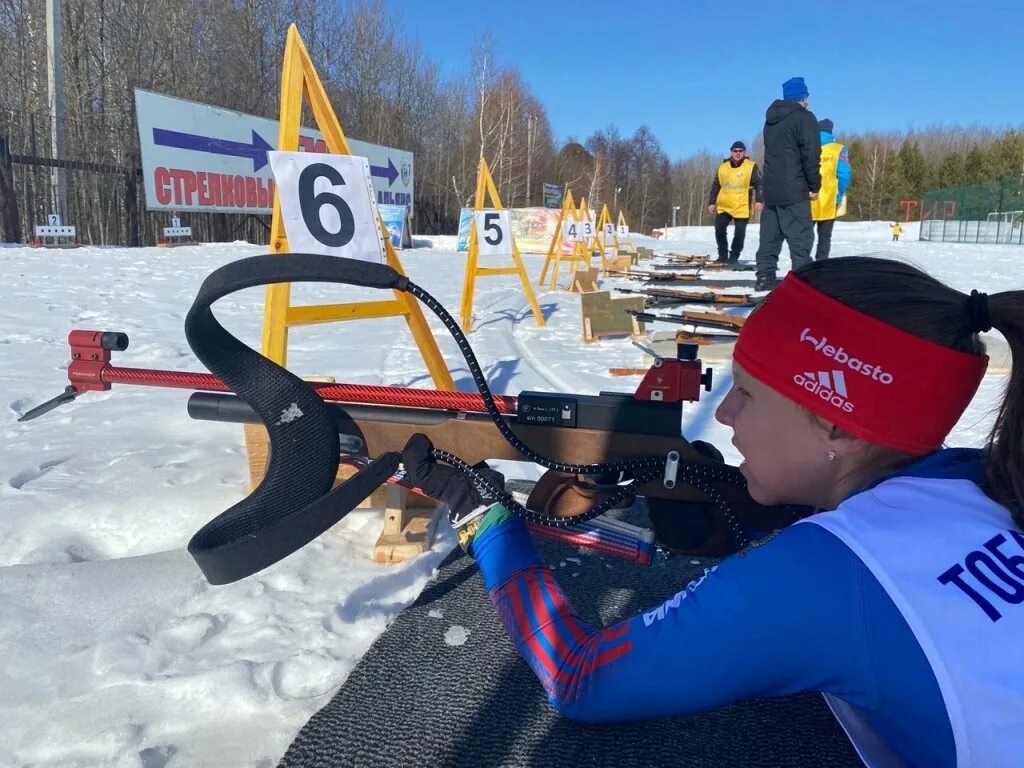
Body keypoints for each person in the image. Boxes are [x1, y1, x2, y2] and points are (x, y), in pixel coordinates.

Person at [402, 255, 1024, 767]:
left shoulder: (826, 575)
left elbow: (577, 676)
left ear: (837, 424)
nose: (724, 415)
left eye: (747, 395)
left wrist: (482, 515)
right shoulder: (987, 477)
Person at [754, 77, 821, 292]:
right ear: (801, 97)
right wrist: (814, 185)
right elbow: (811, 153)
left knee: (769, 238)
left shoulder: (770, 120)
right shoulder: (805, 118)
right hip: (794, 188)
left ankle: (764, 277)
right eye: (806, 96)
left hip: (771, 189)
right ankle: (803, 283)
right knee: (800, 239)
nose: (807, 102)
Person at [708, 141, 764, 263]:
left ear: (744, 152)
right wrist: (712, 202)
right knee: (719, 229)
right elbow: (715, 185)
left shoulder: (751, 166)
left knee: (739, 234)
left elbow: (759, 184)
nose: (738, 153)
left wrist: (759, 200)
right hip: (724, 205)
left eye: (740, 151)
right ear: (731, 152)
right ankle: (722, 256)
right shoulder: (723, 167)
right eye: (735, 151)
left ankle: (734, 257)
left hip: (741, 205)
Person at [810, 118, 851, 260]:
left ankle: (801, 267)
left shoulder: (807, 146)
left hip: (807, 199)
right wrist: (840, 192)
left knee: (803, 237)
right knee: (824, 237)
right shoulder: (838, 149)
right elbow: (844, 174)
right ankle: (820, 267)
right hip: (829, 199)